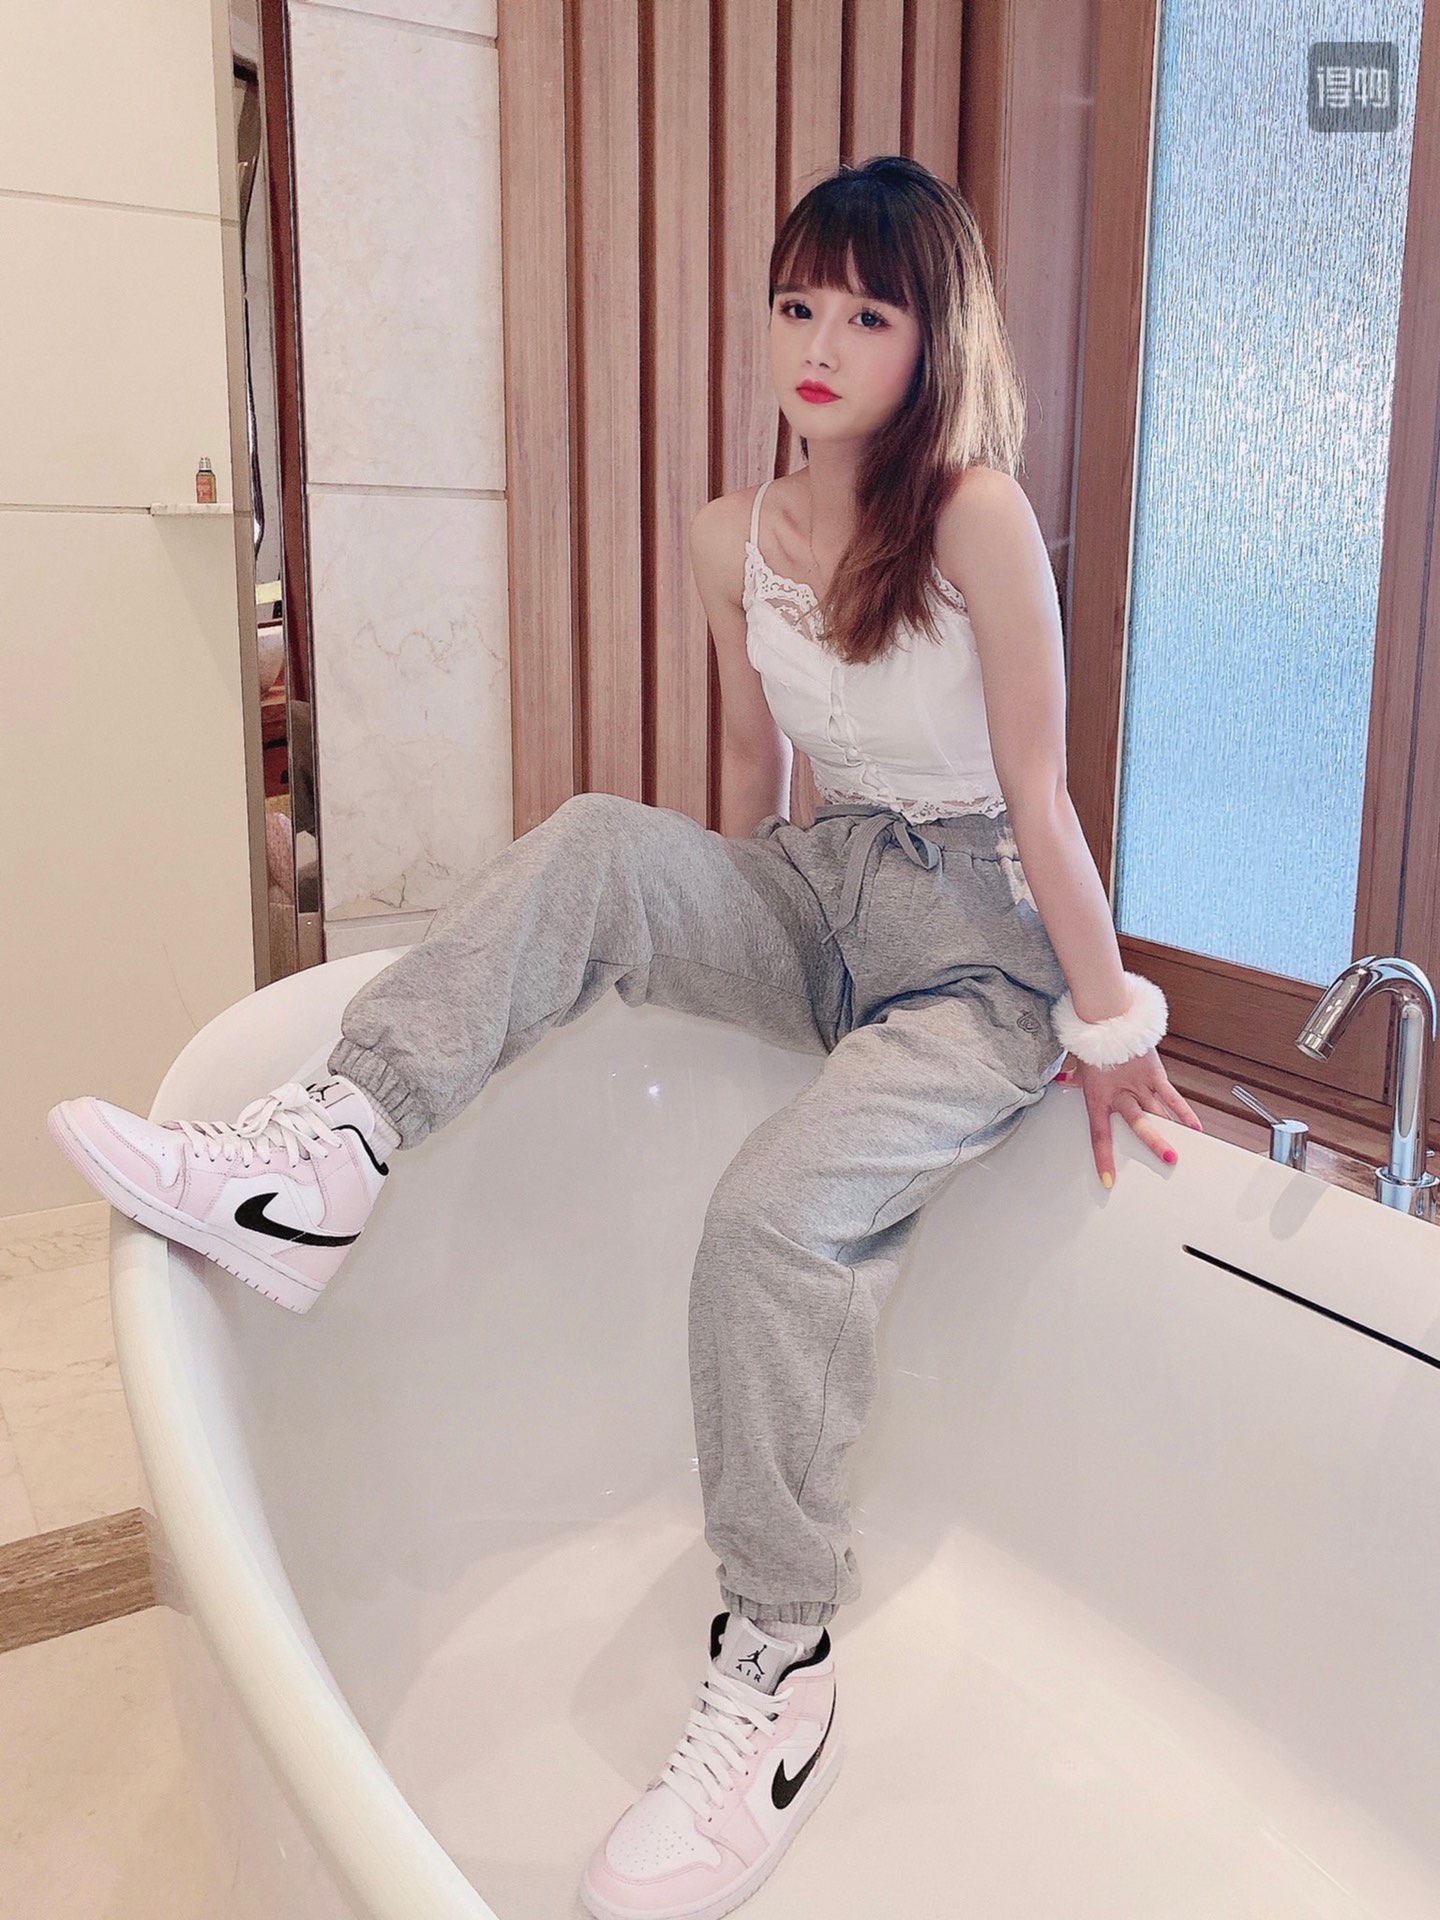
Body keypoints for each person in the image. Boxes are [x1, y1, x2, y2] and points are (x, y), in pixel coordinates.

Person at [48, 155, 1202, 1920]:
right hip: (822, 888)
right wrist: (701, 914)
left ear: (932, 340)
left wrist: (1108, 1028)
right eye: (799, 302)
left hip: (979, 954)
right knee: (597, 839)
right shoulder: (731, 534)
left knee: (766, 1220)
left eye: (868, 314)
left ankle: (782, 1669)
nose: (819, 343)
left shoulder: (974, 515)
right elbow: (752, 777)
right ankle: (333, 1150)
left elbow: (1042, 799)